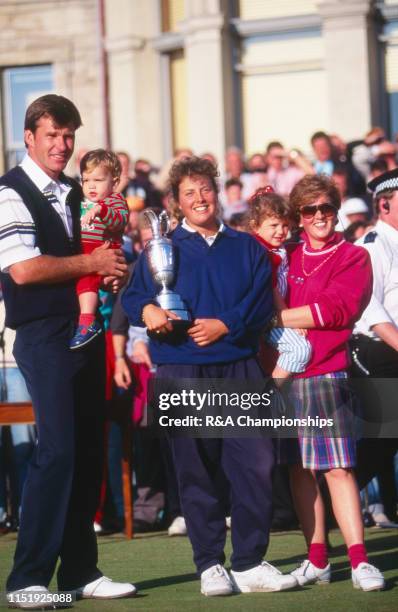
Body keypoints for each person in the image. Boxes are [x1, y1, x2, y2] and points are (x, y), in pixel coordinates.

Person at [122, 156, 297, 596]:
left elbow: (261, 304)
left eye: (204, 189)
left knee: (257, 465)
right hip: (180, 368)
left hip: (239, 365)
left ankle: (250, 561)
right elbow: (134, 299)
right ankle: (209, 565)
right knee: (195, 470)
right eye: (188, 193)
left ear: (216, 193)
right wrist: (148, 310)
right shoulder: (161, 248)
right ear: (177, 203)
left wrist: (227, 324)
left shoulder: (248, 247)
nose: (199, 199)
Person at [0, 94, 135, 607]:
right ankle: (26, 580)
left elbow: (101, 255)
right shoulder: (10, 191)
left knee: (88, 451)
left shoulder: (81, 190)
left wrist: (113, 270)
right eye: (52, 134)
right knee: (57, 450)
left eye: (68, 135)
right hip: (42, 333)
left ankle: (80, 570)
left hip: (88, 328)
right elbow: (24, 270)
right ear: (29, 136)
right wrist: (92, 264)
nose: (61, 144)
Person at [277, 174, 385, 591]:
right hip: (283, 375)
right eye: (310, 209)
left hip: (327, 371)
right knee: (300, 470)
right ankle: (317, 558)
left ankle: (359, 561)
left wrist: (274, 319)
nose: (320, 216)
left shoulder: (353, 256)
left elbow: (337, 310)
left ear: (336, 210)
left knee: (338, 468)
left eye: (326, 207)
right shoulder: (286, 254)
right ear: (299, 216)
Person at [350, 167, 398, 525]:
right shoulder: (372, 245)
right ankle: (330, 502)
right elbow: (369, 306)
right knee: (382, 440)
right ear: (384, 204)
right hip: (377, 351)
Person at [246, 186, 311, 383]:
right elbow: (272, 288)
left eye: (284, 225)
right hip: (266, 316)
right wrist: (289, 318)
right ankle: (271, 392)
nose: (281, 231)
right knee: (300, 349)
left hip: (273, 314)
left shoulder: (277, 250)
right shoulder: (262, 252)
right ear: (255, 226)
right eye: (273, 226)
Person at [70, 149, 129, 350]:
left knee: (87, 281)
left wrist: (101, 210)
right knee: (85, 281)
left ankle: (87, 321)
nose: (91, 185)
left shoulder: (115, 200)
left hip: (104, 250)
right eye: (86, 180)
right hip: (86, 253)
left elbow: (119, 220)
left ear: (114, 181)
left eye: (98, 180)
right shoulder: (81, 202)